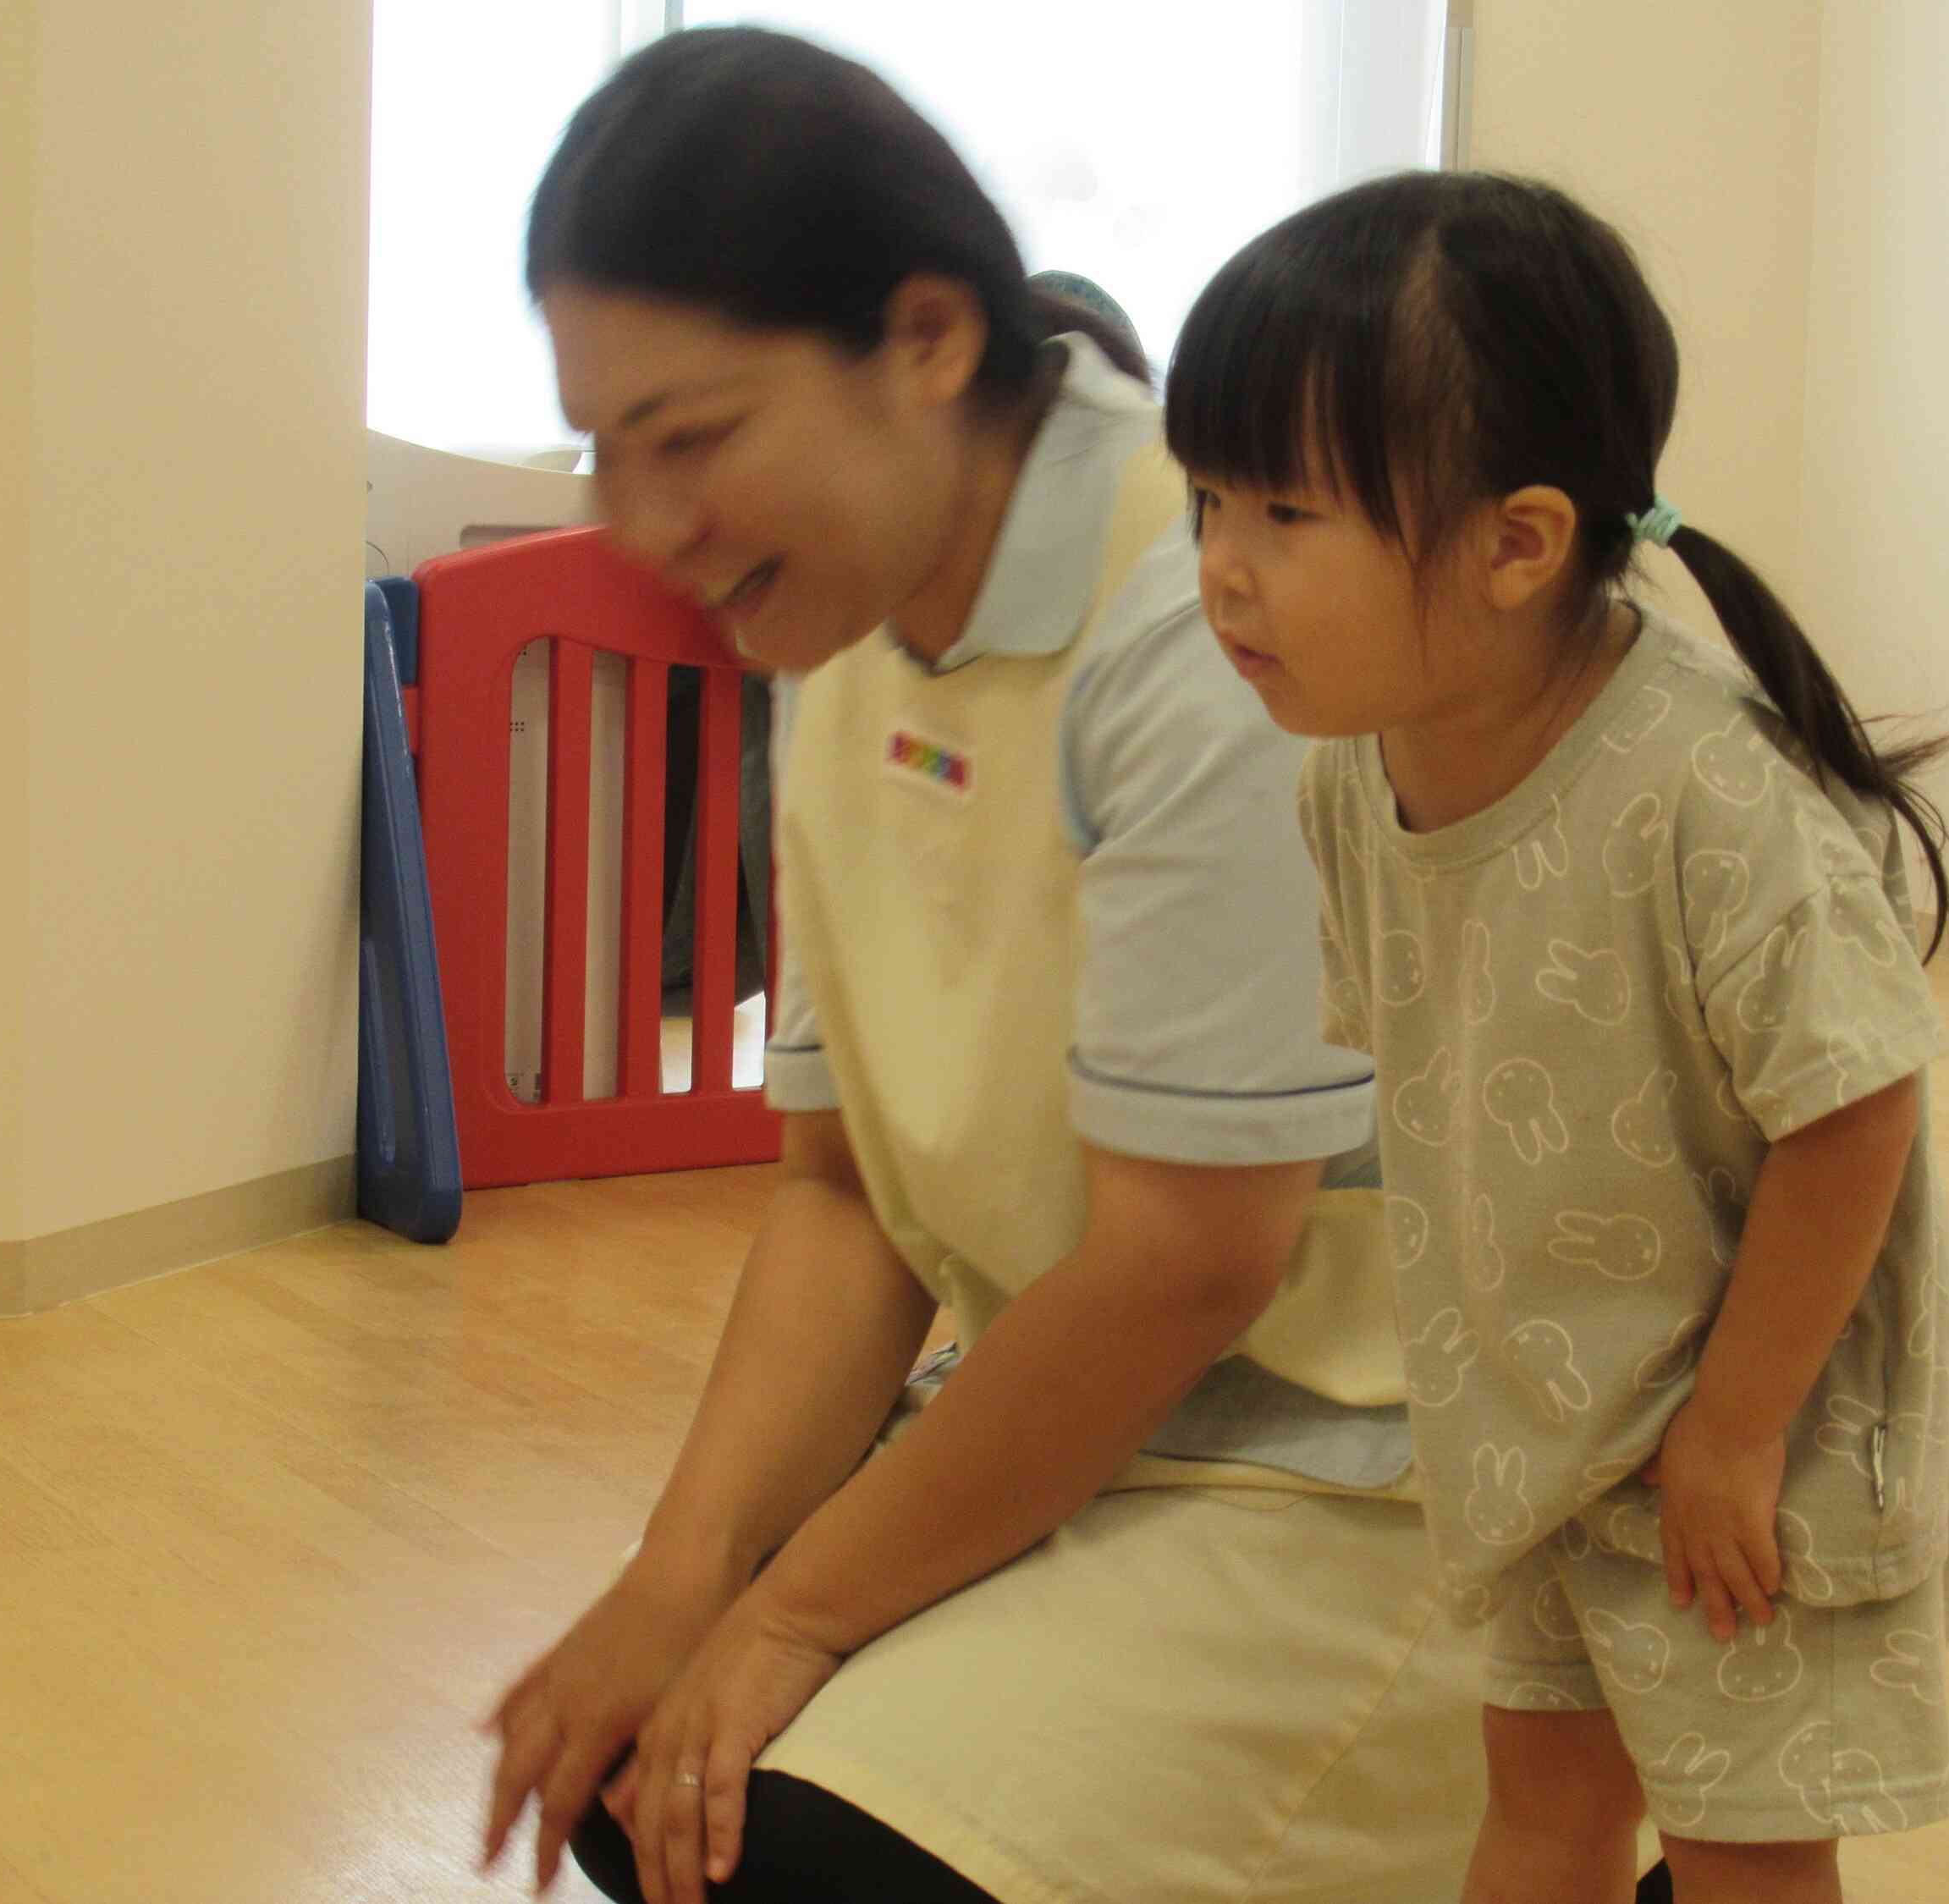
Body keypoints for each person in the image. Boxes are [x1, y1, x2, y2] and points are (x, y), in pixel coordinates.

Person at [475, 30, 1681, 1904]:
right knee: (651, 1786)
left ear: (930, 343)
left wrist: (786, 1619)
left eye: (695, 440)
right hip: (1105, 1429)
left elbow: (1192, 1258)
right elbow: (844, 1189)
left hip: (1367, 1483)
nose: (644, 529)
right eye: (607, 454)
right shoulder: (849, 624)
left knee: (779, 1847)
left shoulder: (1198, 616)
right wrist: (678, 1584)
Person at [1164, 172, 1949, 1904]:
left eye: (1284, 511)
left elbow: (1858, 1113)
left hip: (1758, 1433)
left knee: (1739, 1853)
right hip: (1552, 1416)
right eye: (1204, 501)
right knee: (1542, 1810)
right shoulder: (1355, 773)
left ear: (1518, 541)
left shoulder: (1709, 794)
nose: (1220, 571)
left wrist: (1739, 1429)